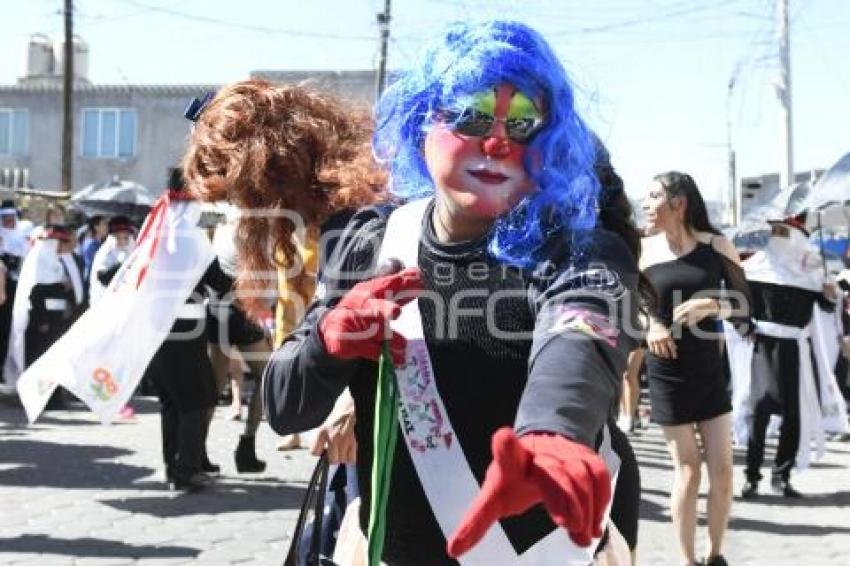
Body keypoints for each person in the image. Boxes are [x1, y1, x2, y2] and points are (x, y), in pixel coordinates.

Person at [264, 20, 646, 565]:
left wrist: (551, 437)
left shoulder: (577, 251)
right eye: (469, 116)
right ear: (422, 122)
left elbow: (580, 331)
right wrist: (325, 344)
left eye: (523, 125)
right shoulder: (372, 240)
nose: (495, 142)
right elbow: (285, 407)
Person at [641, 171, 751, 566]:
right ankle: (687, 561)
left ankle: (714, 555)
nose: (645, 203)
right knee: (688, 470)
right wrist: (651, 324)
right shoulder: (643, 250)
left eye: (653, 195)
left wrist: (713, 306)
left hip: (708, 370)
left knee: (722, 473)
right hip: (666, 370)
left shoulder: (717, 244)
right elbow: (629, 305)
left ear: (679, 203)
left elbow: (747, 305)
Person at [731, 215, 846, 499]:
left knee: (793, 414)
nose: (780, 235)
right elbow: (738, 305)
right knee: (758, 410)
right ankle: (752, 475)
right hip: (763, 345)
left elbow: (826, 306)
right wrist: (747, 328)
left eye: (786, 230)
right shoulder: (756, 267)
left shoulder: (811, 270)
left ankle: (781, 476)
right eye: (776, 230)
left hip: (795, 348)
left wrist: (830, 294)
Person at [4, 225, 85, 389]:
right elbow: (36, 294)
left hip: (57, 320)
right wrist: (42, 320)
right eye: (60, 243)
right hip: (42, 322)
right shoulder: (40, 263)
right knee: (39, 356)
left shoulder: (55, 263)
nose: (63, 247)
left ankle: (53, 394)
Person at [0, 200, 28, 376]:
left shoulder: (20, 236)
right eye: (4, 218)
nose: (8, 221)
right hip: (2, 285)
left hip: (16, 286)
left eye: (11, 218)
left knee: (8, 328)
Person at [89, 216, 136, 305]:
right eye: (118, 238)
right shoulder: (104, 252)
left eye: (125, 238)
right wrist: (121, 265)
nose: (122, 242)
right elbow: (103, 278)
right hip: (106, 302)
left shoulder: (133, 252)